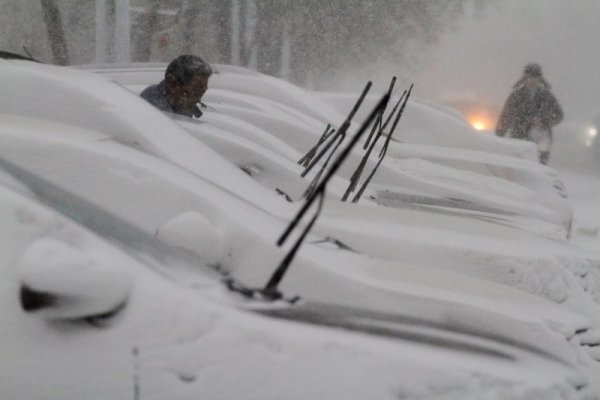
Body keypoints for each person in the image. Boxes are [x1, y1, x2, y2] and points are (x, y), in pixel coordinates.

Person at [495, 63, 563, 164]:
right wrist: (498, 137)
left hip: (540, 141)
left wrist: (544, 121)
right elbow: (506, 116)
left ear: (540, 78)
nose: (532, 80)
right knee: (518, 168)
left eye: (535, 77)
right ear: (525, 78)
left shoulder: (547, 96)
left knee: (538, 171)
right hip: (518, 138)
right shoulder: (516, 95)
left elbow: (559, 115)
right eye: (529, 77)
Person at [140, 54, 212, 118]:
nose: (198, 99)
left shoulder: (179, 104)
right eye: (195, 90)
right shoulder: (154, 110)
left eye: (203, 90)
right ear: (174, 85)